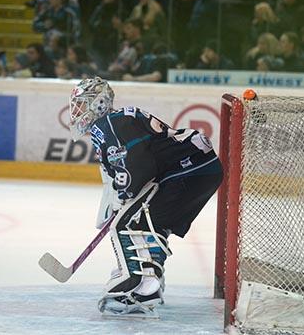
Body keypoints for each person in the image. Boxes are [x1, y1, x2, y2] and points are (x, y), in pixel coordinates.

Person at [66, 77, 223, 316]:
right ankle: (150, 278)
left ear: (97, 103)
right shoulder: (111, 124)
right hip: (196, 168)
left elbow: (138, 166)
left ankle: (142, 287)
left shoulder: (109, 125)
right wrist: (118, 202)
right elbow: (120, 174)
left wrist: (126, 197)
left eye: (80, 104)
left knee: (129, 223)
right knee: (148, 222)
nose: (76, 111)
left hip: (190, 169)